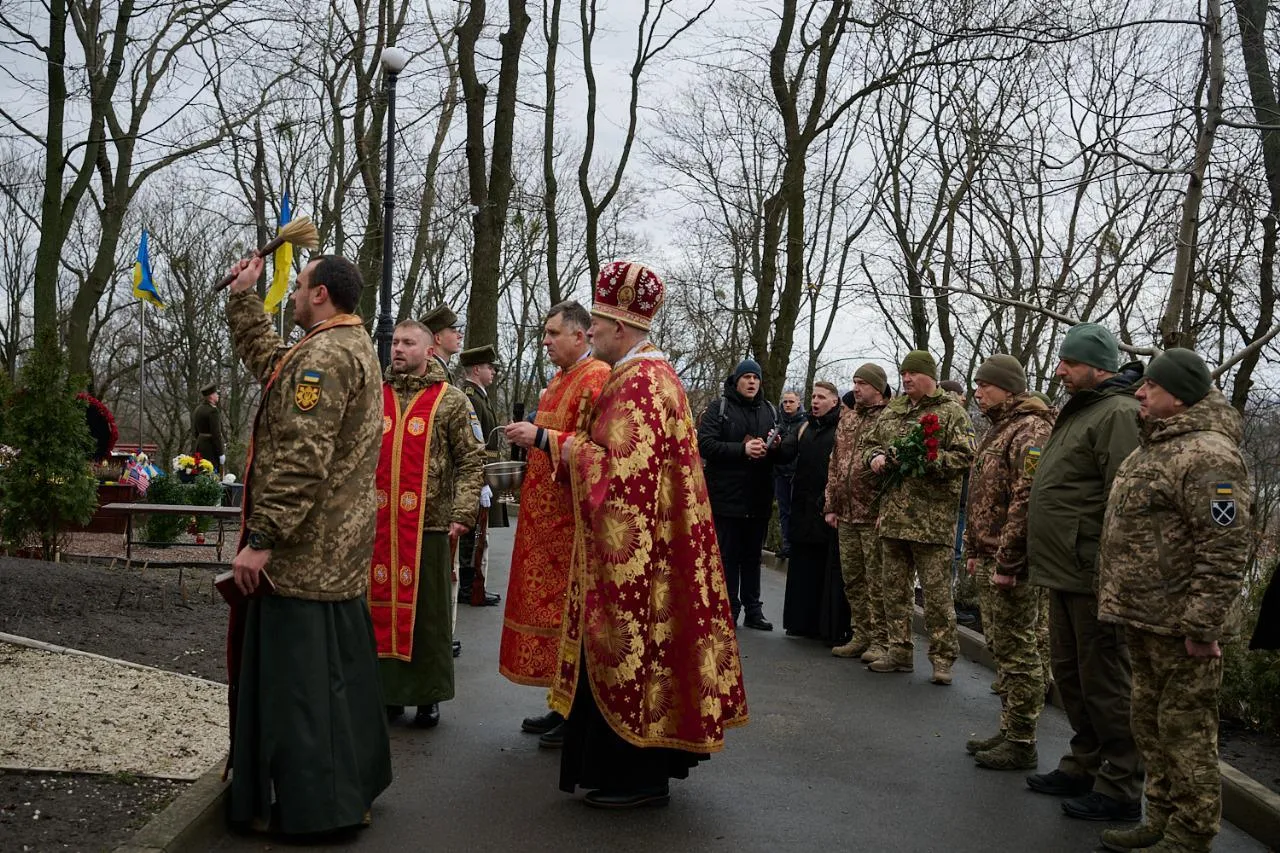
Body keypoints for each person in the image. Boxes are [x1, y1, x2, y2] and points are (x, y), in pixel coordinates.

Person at [551, 259, 748, 809]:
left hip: (641, 554)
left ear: (621, 328)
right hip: (664, 544)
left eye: (595, 325)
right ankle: (635, 772)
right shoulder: (651, 376)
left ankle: (636, 777)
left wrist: (564, 447)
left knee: (637, 652)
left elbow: (621, 480)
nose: (588, 333)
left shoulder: (639, 382)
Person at [222, 253, 390, 836]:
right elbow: (274, 369)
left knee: (304, 688)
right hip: (333, 550)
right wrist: (244, 300)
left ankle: (318, 810)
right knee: (339, 678)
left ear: (321, 295)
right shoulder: (343, 345)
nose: (290, 294)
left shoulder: (324, 357)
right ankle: (353, 791)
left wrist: (262, 538)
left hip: (306, 554)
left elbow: (301, 460)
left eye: (297, 286)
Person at [1096, 349, 1252, 853]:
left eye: (1151, 387)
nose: (1139, 392)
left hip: (1181, 625)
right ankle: (1159, 820)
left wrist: (1203, 626)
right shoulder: (1153, 448)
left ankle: (1191, 833)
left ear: (1179, 395)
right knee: (1151, 726)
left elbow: (1225, 547)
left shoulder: (1211, 455)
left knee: (1186, 733)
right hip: (1143, 616)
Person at [1026, 322, 1145, 822]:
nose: (1059, 371)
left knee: (1104, 681)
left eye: (1068, 364)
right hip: (1063, 570)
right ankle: (1084, 763)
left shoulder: (1117, 413)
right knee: (1072, 676)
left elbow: (1126, 498)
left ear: (1098, 368)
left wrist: (1108, 567)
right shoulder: (1081, 411)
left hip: (1092, 572)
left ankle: (1120, 785)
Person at [500, 301, 609, 748]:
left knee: (574, 616)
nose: (544, 341)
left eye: (551, 334)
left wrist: (541, 437)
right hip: (545, 521)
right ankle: (560, 702)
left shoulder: (597, 378)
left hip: (572, 524)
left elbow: (597, 447)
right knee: (554, 616)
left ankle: (577, 711)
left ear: (580, 336)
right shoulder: (557, 381)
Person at [370, 320, 485, 729]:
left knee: (428, 615)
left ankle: (428, 696)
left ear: (429, 349)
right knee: (377, 608)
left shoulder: (452, 401)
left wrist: (462, 513)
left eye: (407, 343)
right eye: (395, 342)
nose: (398, 349)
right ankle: (387, 692)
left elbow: (472, 461)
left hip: (430, 526)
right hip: (377, 527)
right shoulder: (373, 397)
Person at [962, 355, 1055, 771]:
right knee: (1002, 645)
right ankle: (1009, 726)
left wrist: (1008, 558)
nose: (978, 392)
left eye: (985, 385)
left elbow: (1027, 497)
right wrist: (973, 548)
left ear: (1009, 388)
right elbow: (981, 494)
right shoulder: (1001, 427)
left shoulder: (1032, 429)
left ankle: (1022, 739)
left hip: (1010, 560)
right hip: (990, 554)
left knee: (1019, 650)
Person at [864, 350, 973, 685]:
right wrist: (875, 458)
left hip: (932, 521)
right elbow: (869, 444)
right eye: (903, 373)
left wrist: (928, 460)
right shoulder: (893, 411)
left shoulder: (951, 412)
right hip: (894, 518)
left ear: (928, 376)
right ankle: (899, 650)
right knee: (894, 590)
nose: (906, 379)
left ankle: (942, 659)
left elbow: (966, 456)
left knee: (937, 596)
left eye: (912, 373)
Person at [697, 358, 780, 630]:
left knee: (752, 556)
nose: (752, 382)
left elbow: (781, 452)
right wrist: (741, 450)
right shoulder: (718, 408)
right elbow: (706, 445)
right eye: (746, 378)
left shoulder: (769, 410)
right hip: (726, 496)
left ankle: (754, 610)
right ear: (736, 381)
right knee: (728, 555)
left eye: (756, 378)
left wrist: (776, 446)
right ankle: (728, 608)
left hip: (758, 496)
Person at [825, 364, 891, 661]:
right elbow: (835, 463)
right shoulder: (847, 420)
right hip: (846, 513)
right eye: (854, 382)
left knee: (877, 580)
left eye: (862, 383)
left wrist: (887, 510)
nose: (856, 388)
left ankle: (881, 640)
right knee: (852, 578)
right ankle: (860, 633)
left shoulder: (890, 419)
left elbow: (894, 473)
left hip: (873, 513)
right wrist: (831, 504)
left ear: (878, 387)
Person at [775, 382, 844, 642]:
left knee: (823, 567)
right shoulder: (804, 426)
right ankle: (798, 622)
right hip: (801, 505)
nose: (815, 401)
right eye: (813, 396)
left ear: (834, 402)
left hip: (825, 507)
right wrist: (774, 446)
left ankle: (822, 625)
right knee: (802, 565)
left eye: (822, 397)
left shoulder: (840, 430)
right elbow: (786, 453)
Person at [457, 344, 504, 607]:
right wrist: (482, 481)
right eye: (489, 367)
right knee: (472, 534)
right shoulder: (471, 397)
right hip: (478, 476)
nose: (493, 372)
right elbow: (474, 443)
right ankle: (468, 585)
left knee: (478, 534)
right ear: (477, 369)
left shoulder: (480, 395)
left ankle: (474, 583)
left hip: (484, 475)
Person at [773, 390, 806, 559]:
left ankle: (795, 544)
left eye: (791, 401)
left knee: (795, 510)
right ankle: (786, 543)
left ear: (798, 403)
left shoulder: (804, 423)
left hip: (796, 473)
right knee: (784, 511)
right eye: (785, 401)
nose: (787, 404)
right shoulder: (778, 421)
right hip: (780, 473)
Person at [422, 305, 463, 379]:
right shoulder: (431, 373)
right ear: (438, 338)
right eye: (453, 331)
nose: (460, 336)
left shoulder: (440, 370)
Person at [191, 383, 225, 473]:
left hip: (199, 445)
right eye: (216, 394)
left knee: (200, 472)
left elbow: (195, 432)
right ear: (211, 397)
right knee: (211, 475)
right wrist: (221, 453)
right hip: (211, 449)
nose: (218, 396)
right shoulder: (213, 411)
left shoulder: (198, 409)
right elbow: (216, 434)